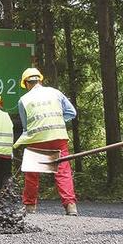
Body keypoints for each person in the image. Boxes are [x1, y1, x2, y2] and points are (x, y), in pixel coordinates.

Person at [13, 68, 78, 215]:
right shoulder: (56, 92)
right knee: (63, 171)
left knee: (32, 173)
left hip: (37, 138)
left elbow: (26, 127)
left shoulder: (23, 100)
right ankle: (70, 206)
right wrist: (59, 120)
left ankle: (29, 206)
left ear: (26, 83)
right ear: (40, 80)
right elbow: (72, 113)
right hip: (58, 136)